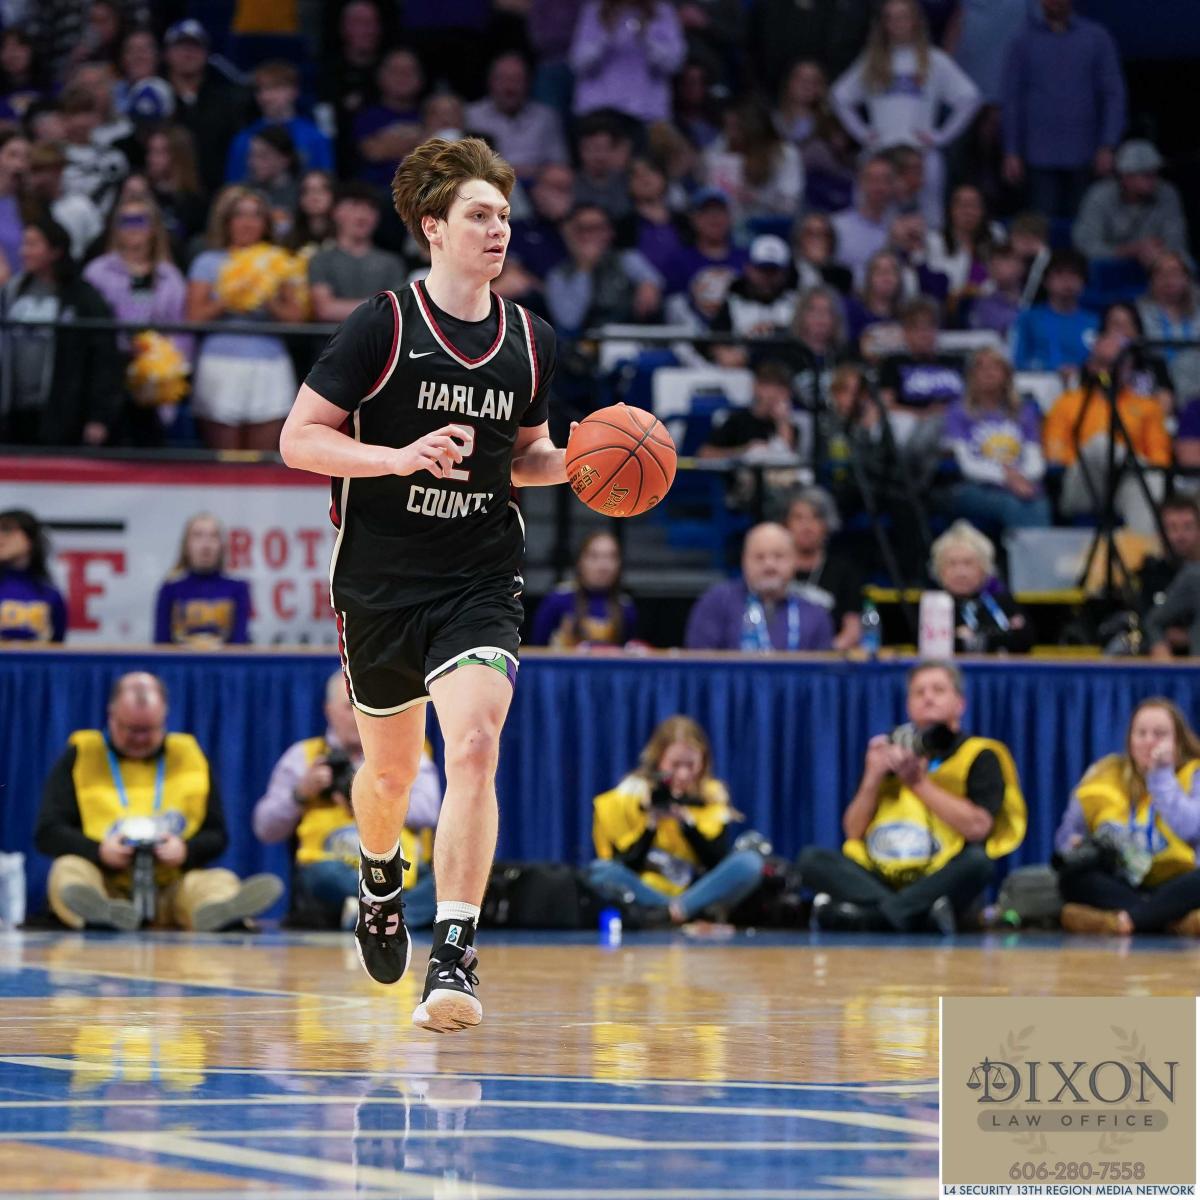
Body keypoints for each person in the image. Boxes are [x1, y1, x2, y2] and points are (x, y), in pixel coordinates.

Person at [279, 136, 569, 1033]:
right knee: (391, 775)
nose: (499, 229)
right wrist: (396, 457)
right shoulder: (383, 324)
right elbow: (298, 439)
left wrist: (587, 465)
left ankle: (455, 952)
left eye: (505, 216)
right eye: (480, 215)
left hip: (480, 577)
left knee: (474, 745)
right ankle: (379, 877)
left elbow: (524, 458)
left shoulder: (531, 340)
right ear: (434, 228)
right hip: (380, 582)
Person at [33, 672, 283, 932]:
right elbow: (48, 832)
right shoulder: (81, 755)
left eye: (149, 730)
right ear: (111, 716)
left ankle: (220, 911)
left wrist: (186, 851)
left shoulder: (189, 756)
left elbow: (217, 835)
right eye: (131, 729)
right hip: (106, 883)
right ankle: (98, 913)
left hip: (172, 885)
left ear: (164, 718)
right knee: (67, 871)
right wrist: (99, 851)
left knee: (218, 881)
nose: (140, 738)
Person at [800, 660, 1026, 933]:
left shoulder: (981, 753)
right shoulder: (890, 752)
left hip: (940, 874)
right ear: (908, 705)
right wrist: (872, 777)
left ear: (960, 704)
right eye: (919, 692)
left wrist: (918, 784)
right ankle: (914, 915)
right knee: (811, 860)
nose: (928, 698)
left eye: (938, 690)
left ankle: (872, 918)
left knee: (979, 863)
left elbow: (978, 827)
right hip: (881, 872)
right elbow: (853, 831)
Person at [254, 672, 442, 930]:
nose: (357, 714)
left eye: (364, 705)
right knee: (321, 874)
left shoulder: (405, 753)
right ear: (328, 711)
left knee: (446, 882)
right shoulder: (303, 757)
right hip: (332, 868)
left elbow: (429, 812)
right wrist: (300, 794)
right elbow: (265, 828)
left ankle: (367, 915)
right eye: (348, 706)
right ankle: (393, 911)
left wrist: (373, 799)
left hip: (398, 866)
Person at [588, 715, 764, 926]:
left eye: (691, 765)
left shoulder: (711, 797)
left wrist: (687, 824)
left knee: (749, 862)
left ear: (703, 762)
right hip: (646, 892)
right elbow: (623, 864)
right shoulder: (630, 796)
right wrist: (651, 825)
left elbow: (717, 863)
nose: (683, 774)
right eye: (675, 765)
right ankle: (681, 913)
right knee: (599, 871)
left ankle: (674, 913)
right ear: (658, 759)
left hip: (696, 893)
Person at [1054, 698, 1200, 936]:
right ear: (1130, 740)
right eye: (1141, 733)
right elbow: (1066, 838)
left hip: (1179, 879)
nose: (1149, 741)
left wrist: (1161, 776)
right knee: (1072, 877)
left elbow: (1191, 828)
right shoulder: (1104, 774)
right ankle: (1166, 919)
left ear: (1178, 740)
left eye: (1160, 734)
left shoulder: (1195, 773)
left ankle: (1127, 920)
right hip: (1124, 884)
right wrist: (1075, 844)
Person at [831, 0, 980, 222]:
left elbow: (970, 98)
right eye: (890, 18)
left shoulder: (934, 60)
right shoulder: (871, 61)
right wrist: (863, 134)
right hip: (880, 153)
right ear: (883, 24)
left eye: (902, 17)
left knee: (930, 221)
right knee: (875, 221)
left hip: (922, 154)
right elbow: (839, 97)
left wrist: (941, 136)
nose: (897, 24)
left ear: (915, 21)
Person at [185, 185, 305, 451]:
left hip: (270, 365)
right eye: (239, 215)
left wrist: (268, 299)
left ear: (266, 223)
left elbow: (296, 318)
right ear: (227, 222)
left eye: (256, 215)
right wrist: (230, 297)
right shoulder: (208, 261)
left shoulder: (279, 261)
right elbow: (193, 317)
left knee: (262, 462)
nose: (247, 223)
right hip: (220, 364)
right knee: (225, 460)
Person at [0, 215, 122, 446]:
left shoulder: (84, 299)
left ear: (55, 251)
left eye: (33, 244)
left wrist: (99, 416)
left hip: (63, 415)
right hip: (15, 413)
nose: (24, 251)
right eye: (24, 244)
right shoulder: (13, 291)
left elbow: (103, 360)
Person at [1000, 0, 1126, 220]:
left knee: (1085, 224)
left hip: (1086, 156)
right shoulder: (1023, 40)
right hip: (1038, 157)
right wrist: (1011, 151)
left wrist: (1108, 144)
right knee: (1042, 225)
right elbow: (1012, 100)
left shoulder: (1096, 37)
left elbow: (1113, 95)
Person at [1043, 330, 1171, 536]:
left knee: (1151, 478)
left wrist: (1127, 468)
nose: (1111, 370)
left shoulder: (1147, 407)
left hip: (1128, 486)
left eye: (1119, 364)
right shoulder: (1067, 403)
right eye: (1104, 363)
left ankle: (1143, 550)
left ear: (1129, 367)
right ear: (1091, 366)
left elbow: (1159, 456)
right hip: (1082, 484)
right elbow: (1056, 455)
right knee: (1102, 443)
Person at [943, 347, 1050, 532]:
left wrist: (1020, 478)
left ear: (1007, 374)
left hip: (1023, 482)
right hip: (976, 486)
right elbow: (967, 465)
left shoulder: (1025, 411)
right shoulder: (958, 412)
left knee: (1039, 502)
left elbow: (1035, 459)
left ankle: (1038, 551)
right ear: (971, 375)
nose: (988, 373)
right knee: (1013, 504)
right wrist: (1006, 478)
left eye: (995, 367)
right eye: (981, 367)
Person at [684, 522, 834, 651]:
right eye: (759, 557)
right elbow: (699, 666)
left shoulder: (816, 614)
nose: (769, 565)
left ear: (794, 561)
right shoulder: (716, 603)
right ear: (744, 561)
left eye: (778, 556)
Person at [544, 202, 661, 338]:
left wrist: (649, 285)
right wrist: (584, 268)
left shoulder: (626, 259)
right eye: (582, 228)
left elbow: (652, 279)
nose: (590, 236)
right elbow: (569, 322)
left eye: (597, 228)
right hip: (586, 343)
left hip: (629, 337)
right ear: (571, 234)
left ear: (610, 232)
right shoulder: (558, 275)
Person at [163, 19, 252, 196]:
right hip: (166, 192)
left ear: (206, 53)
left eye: (195, 46)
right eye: (181, 46)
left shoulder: (227, 101)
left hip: (217, 192)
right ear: (167, 53)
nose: (188, 53)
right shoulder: (156, 96)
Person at [1072, 140, 1189, 269]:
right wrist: (1130, 250)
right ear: (1125, 176)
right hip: (1109, 267)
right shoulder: (1099, 195)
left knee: (1183, 264)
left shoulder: (1167, 193)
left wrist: (1160, 253)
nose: (1153, 180)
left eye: (1155, 173)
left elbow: (1176, 241)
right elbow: (1085, 245)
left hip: (1155, 264)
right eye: (1146, 175)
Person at [569, 1, 686, 126]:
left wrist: (647, 37)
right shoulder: (595, 10)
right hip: (600, 112)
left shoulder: (662, 11)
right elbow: (579, 63)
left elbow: (674, 64)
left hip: (647, 113)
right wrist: (606, 35)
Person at [929, 520, 1032, 654]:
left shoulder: (1003, 601)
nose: (960, 573)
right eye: (951, 564)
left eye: (968, 563)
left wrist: (972, 638)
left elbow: (1024, 640)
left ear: (984, 569)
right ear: (939, 570)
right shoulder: (932, 605)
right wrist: (998, 634)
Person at [225, 60, 333, 185]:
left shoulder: (315, 137)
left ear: (294, 91)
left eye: (274, 88)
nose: (265, 97)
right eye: (260, 90)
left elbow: (327, 184)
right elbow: (233, 186)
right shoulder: (244, 138)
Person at [308, 183, 404, 323]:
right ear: (336, 212)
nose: (362, 215)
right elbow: (325, 309)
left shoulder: (392, 263)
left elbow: (395, 310)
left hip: (379, 337)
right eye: (354, 206)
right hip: (332, 336)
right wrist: (378, 305)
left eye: (370, 208)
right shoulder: (321, 260)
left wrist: (340, 306)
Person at [464, 52, 568, 179]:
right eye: (503, 79)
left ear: (528, 83)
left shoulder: (545, 117)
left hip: (537, 182)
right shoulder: (471, 116)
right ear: (490, 82)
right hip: (488, 182)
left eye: (516, 79)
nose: (509, 87)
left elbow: (559, 162)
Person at [153, 513, 252, 646]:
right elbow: (160, 647)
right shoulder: (169, 590)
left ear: (222, 545)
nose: (206, 544)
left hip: (225, 659)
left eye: (213, 536)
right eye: (198, 536)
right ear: (186, 545)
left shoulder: (238, 589)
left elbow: (240, 646)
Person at [703, 97, 804, 226]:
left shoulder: (785, 154)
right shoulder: (722, 147)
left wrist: (756, 197)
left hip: (770, 225)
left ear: (753, 130)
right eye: (727, 127)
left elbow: (790, 206)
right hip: (730, 226)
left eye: (736, 128)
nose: (730, 135)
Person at [785, 487, 863, 652]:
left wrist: (822, 655)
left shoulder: (844, 572)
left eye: (815, 518)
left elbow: (852, 631)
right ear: (787, 524)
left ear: (827, 525)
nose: (806, 526)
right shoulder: (775, 569)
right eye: (798, 518)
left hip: (828, 659)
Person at [530, 531, 639, 648]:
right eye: (594, 557)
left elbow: (629, 652)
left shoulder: (625, 606)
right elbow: (536, 650)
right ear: (580, 562)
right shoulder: (558, 600)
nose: (603, 566)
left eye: (611, 557)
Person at [1011, 248, 1098, 375]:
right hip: (1037, 382)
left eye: (1074, 274)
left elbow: (1102, 367)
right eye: (1059, 274)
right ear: (1045, 280)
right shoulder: (1029, 318)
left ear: (1083, 281)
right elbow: (1018, 361)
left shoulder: (1095, 322)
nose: (1067, 281)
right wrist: (1053, 369)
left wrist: (1081, 372)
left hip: (1085, 383)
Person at [0, 508, 67, 643]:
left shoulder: (50, 595)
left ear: (30, 539)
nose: (0, 537)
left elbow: (57, 645)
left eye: (7, 530)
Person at [830, 152, 897, 283]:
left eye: (886, 180)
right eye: (873, 180)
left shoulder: (900, 229)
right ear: (861, 183)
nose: (880, 186)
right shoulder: (837, 226)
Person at [791, 211, 852, 296]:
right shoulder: (788, 273)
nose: (816, 240)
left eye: (823, 234)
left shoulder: (842, 276)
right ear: (799, 238)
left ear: (831, 241)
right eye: (810, 233)